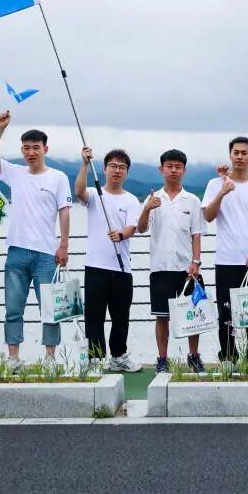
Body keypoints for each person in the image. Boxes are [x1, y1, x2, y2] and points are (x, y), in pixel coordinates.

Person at [0, 112, 72, 373]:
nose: (30, 152)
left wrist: (64, 245)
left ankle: (49, 356)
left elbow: (65, 211)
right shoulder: (15, 173)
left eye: (35, 147)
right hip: (16, 251)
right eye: (26, 148)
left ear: (45, 149)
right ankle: (13, 357)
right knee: (13, 306)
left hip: (46, 253)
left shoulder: (58, 177)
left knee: (50, 308)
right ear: (22, 150)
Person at [202, 136, 248, 363]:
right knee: (226, 313)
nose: (240, 157)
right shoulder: (215, 184)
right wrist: (222, 191)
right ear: (230, 155)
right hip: (226, 260)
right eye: (236, 153)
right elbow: (208, 216)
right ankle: (229, 357)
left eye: (244, 153)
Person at [137, 149, 204, 373]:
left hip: (187, 268)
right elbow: (141, 228)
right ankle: (162, 359)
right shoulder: (153, 198)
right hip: (160, 266)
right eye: (169, 166)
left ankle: (194, 356)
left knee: (194, 314)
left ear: (184, 170)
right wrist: (147, 208)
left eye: (178, 167)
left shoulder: (192, 200)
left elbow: (196, 234)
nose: (173, 170)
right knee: (162, 316)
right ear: (161, 169)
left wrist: (196, 261)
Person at [76, 146, 142, 372]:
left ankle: (119, 356)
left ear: (127, 172)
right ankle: (95, 359)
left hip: (122, 268)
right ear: (104, 169)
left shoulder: (132, 199)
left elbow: (134, 226)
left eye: (122, 167)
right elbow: (79, 192)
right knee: (94, 315)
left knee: (121, 316)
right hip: (96, 266)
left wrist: (121, 234)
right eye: (113, 166)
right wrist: (85, 164)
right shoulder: (95, 195)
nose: (117, 170)